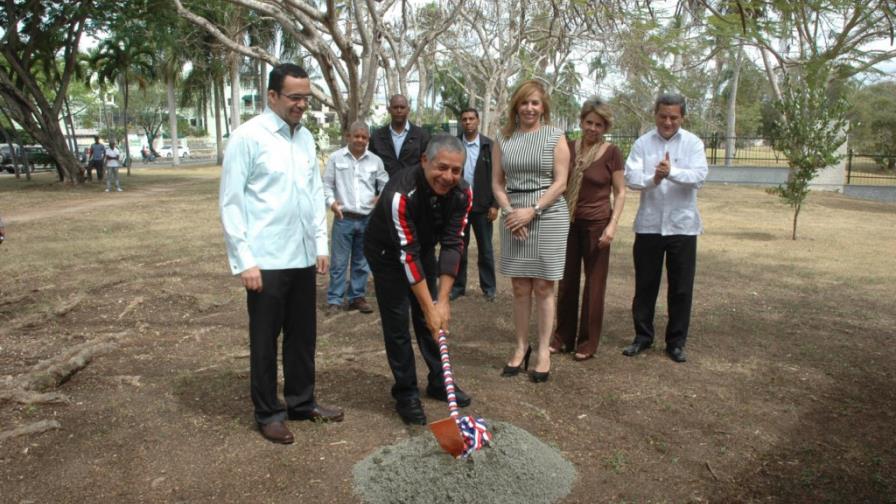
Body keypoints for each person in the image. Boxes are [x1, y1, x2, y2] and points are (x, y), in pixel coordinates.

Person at [220, 63, 343, 445]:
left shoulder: (304, 138)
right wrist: (245, 260)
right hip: (266, 260)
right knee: (265, 339)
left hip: (302, 256)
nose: (301, 104)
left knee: (303, 337)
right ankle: (268, 413)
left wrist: (320, 245)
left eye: (306, 97)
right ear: (272, 95)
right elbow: (231, 202)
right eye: (294, 97)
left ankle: (302, 402)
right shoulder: (247, 137)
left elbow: (313, 195)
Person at [364, 134, 473, 425]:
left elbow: (453, 244)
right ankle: (406, 392)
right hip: (387, 253)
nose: (448, 177)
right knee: (399, 320)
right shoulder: (400, 194)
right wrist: (429, 307)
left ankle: (440, 380)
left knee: (431, 318)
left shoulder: (463, 193)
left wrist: (442, 301)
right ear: (425, 160)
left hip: (420, 248)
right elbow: (406, 255)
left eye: (456, 170)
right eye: (442, 167)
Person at [492, 80, 570, 383]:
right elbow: (497, 183)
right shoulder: (503, 137)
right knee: (520, 287)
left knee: (544, 286)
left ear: (543, 106)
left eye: (535, 102)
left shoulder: (555, 136)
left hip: (547, 214)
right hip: (514, 216)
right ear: (516, 106)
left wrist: (533, 210)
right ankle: (521, 346)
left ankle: (543, 351)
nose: (529, 108)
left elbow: (560, 182)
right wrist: (511, 213)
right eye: (524, 102)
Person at [622, 93, 708, 363]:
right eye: (663, 116)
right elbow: (631, 178)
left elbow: (699, 176)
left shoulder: (693, 143)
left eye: (673, 117)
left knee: (681, 288)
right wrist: (654, 178)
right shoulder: (642, 143)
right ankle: (643, 336)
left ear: (682, 117)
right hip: (649, 225)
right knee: (645, 285)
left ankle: (676, 342)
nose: (668, 122)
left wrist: (671, 172)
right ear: (655, 114)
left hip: (683, 226)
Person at [549, 98, 626, 361]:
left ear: (606, 127)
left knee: (594, 285)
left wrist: (612, 225)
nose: (593, 128)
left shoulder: (612, 152)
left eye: (599, 124)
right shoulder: (568, 147)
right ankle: (562, 337)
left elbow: (620, 191)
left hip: (597, 224)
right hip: (568, 223)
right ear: (581, 122)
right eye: (589, 122)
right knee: (566, 281)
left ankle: (587, 342)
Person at [322, 121, 388, 315]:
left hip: (367, 219)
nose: (360, 140)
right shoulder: (336, 158)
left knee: (362, 261)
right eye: (356, 136)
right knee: (339, 262)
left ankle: (356, 297)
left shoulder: (375, 161)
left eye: (364, 137)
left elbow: (385, 183)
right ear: (348, 137)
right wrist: (332, 203)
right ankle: (335, 299)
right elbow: (326, 185)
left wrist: (380, 198)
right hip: (344, 218)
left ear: (368, 139)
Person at [449, 108, 497, 302]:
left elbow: (498, 177)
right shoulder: (454, 145)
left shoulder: (489, 146)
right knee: (459, 248)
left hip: (483, 207)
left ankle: (489, 288)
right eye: (464, 119)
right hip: (458, 206)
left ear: (478, 120)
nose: (468, 122)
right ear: (461, 122)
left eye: (471, 119)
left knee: (485, 250)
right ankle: (458, 287)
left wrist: (495, 204)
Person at [368, 94, 431, 177]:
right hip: (385, 184)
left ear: (408, 109)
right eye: (395, 107)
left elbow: (427, 164)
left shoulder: (422, 136)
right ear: (389, 109)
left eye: (402, 107)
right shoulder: (377, 137)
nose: (399, 110)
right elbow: (370, 164)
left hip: (413, 184)